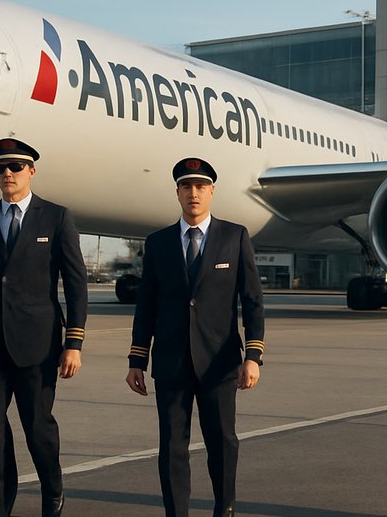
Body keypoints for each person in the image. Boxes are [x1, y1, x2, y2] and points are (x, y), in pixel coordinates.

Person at [0, 138, 88, 517]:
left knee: (38, 430)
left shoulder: (56, 217)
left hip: (37, 347)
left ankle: (52, 489)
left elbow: (76, 285)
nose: (7, 173)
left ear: (31, 172)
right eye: (0, 168)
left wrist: (73, 343)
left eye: (15, 167)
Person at [125, 157, 266, 517]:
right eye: (186, 186)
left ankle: (225, 508)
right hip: (171, 363)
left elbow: (252, 300)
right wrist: (137, 359)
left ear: (212, 191)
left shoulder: (234, 237)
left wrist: (253, 356)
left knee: (223, 442)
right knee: (173, 446)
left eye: (201, 187)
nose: (194, 193)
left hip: (219, 362)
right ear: (177, 192)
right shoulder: (158, 243)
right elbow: (146, 306)